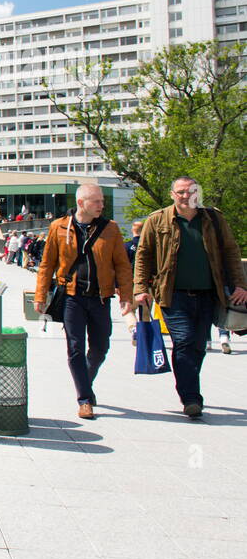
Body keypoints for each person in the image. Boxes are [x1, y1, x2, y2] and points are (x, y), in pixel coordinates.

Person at [133, 177, 247, 419]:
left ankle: (188, 386)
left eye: (191, 191)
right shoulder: (157, 219)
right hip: (172, 294)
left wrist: (240, 284)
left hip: (209, 293)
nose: (186, 196)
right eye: (181, 192)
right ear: (172, 194)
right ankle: (191, 398)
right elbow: (143, 255)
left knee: (197, 345)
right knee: (184, 341)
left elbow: (230, 251)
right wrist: (140, 288)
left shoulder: (213, 218)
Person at [34, 184, 133, 420]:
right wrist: (40, 295)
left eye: (101, 201)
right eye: (96, 201)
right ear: (81, 203)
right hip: (71, 297)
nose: (101, 205)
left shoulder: (110, 228)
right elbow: (47, 264)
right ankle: (85, 400)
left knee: (100, 348)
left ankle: (85, 384)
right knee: (75, 348)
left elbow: (121, 264)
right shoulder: (59, 227)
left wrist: (127, 296)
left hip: (100, 298)